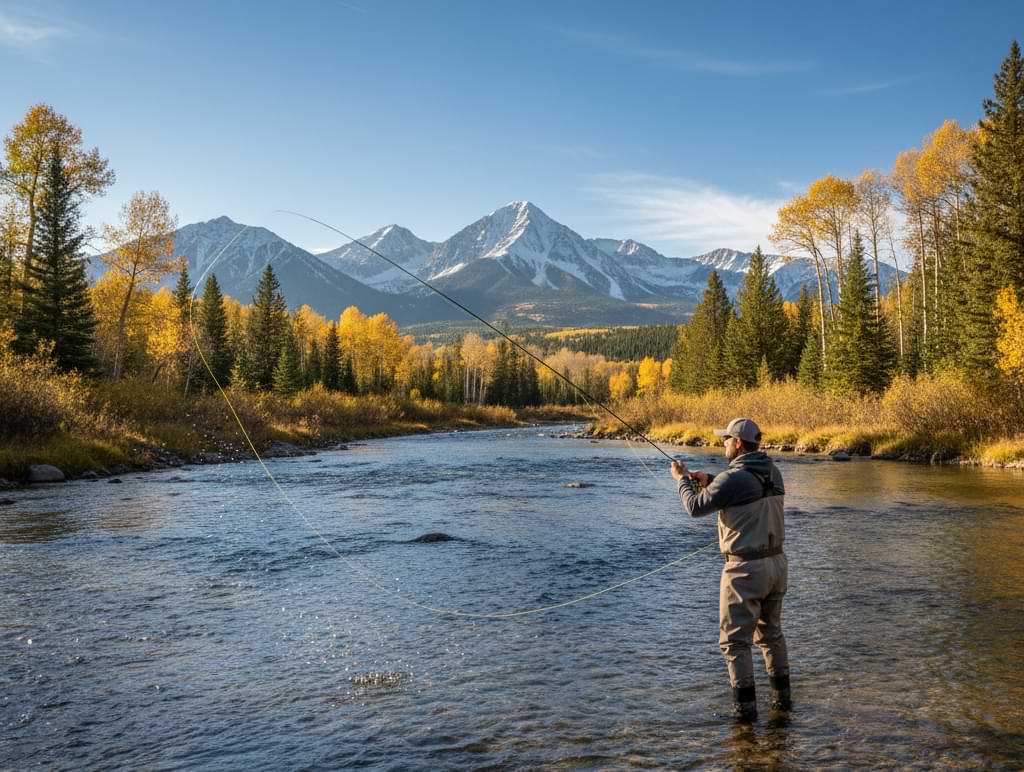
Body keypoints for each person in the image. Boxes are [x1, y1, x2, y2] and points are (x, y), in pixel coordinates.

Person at [670, 417, 791, 722]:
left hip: (745, 571)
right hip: (776, 565)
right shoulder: (772, 472)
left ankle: (746, 716)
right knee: (771, 635)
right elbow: (747, 492)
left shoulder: (733, 478)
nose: (722, 444)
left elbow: (695, 508)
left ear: (738, 443)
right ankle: (783, 703)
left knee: (735, 643)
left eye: (725, 439)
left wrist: (682, 480)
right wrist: (711, 480)